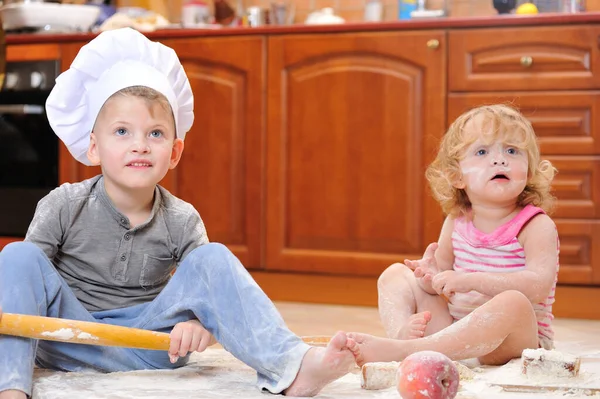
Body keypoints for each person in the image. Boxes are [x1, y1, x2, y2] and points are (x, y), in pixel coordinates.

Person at [0, 28, 355, 399]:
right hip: (68, 339)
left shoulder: (182, 218)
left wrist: (197, 322)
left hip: (151, 345)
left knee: (212, 257)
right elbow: (23, 284)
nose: (139, 145)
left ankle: (292, 367)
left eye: (155, 134)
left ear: (174, 152)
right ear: (93, 147)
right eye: (122, 131)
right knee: (18, 255)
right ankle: (11, 386)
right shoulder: (63, 204)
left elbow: (208, 293)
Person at [346, 104, 559, 367]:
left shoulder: (535, 224)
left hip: (515, 343)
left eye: (512, 151)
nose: (500, 159)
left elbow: (538, 287)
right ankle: (404, 339)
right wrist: (429, 275)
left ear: (528, 171)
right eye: (482, 151)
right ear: (457, 177)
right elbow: (441, 282)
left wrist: (470, 280)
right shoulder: (457, 221)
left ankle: (406, 352)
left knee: (513, 302)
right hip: (457, 334)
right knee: (394, 275)